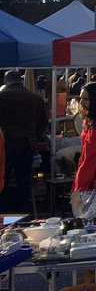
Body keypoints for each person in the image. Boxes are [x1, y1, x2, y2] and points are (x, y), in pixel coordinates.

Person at [0, 70, 48, 214]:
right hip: (27, 143)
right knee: (24, 181)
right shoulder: (35, 98)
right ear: (20, 81)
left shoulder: (2, 96)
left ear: (5, 81)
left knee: (3, 179)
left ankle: (5, 212)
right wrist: (34, 137)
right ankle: (24, 213)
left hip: (6, 143)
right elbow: (44, 121)